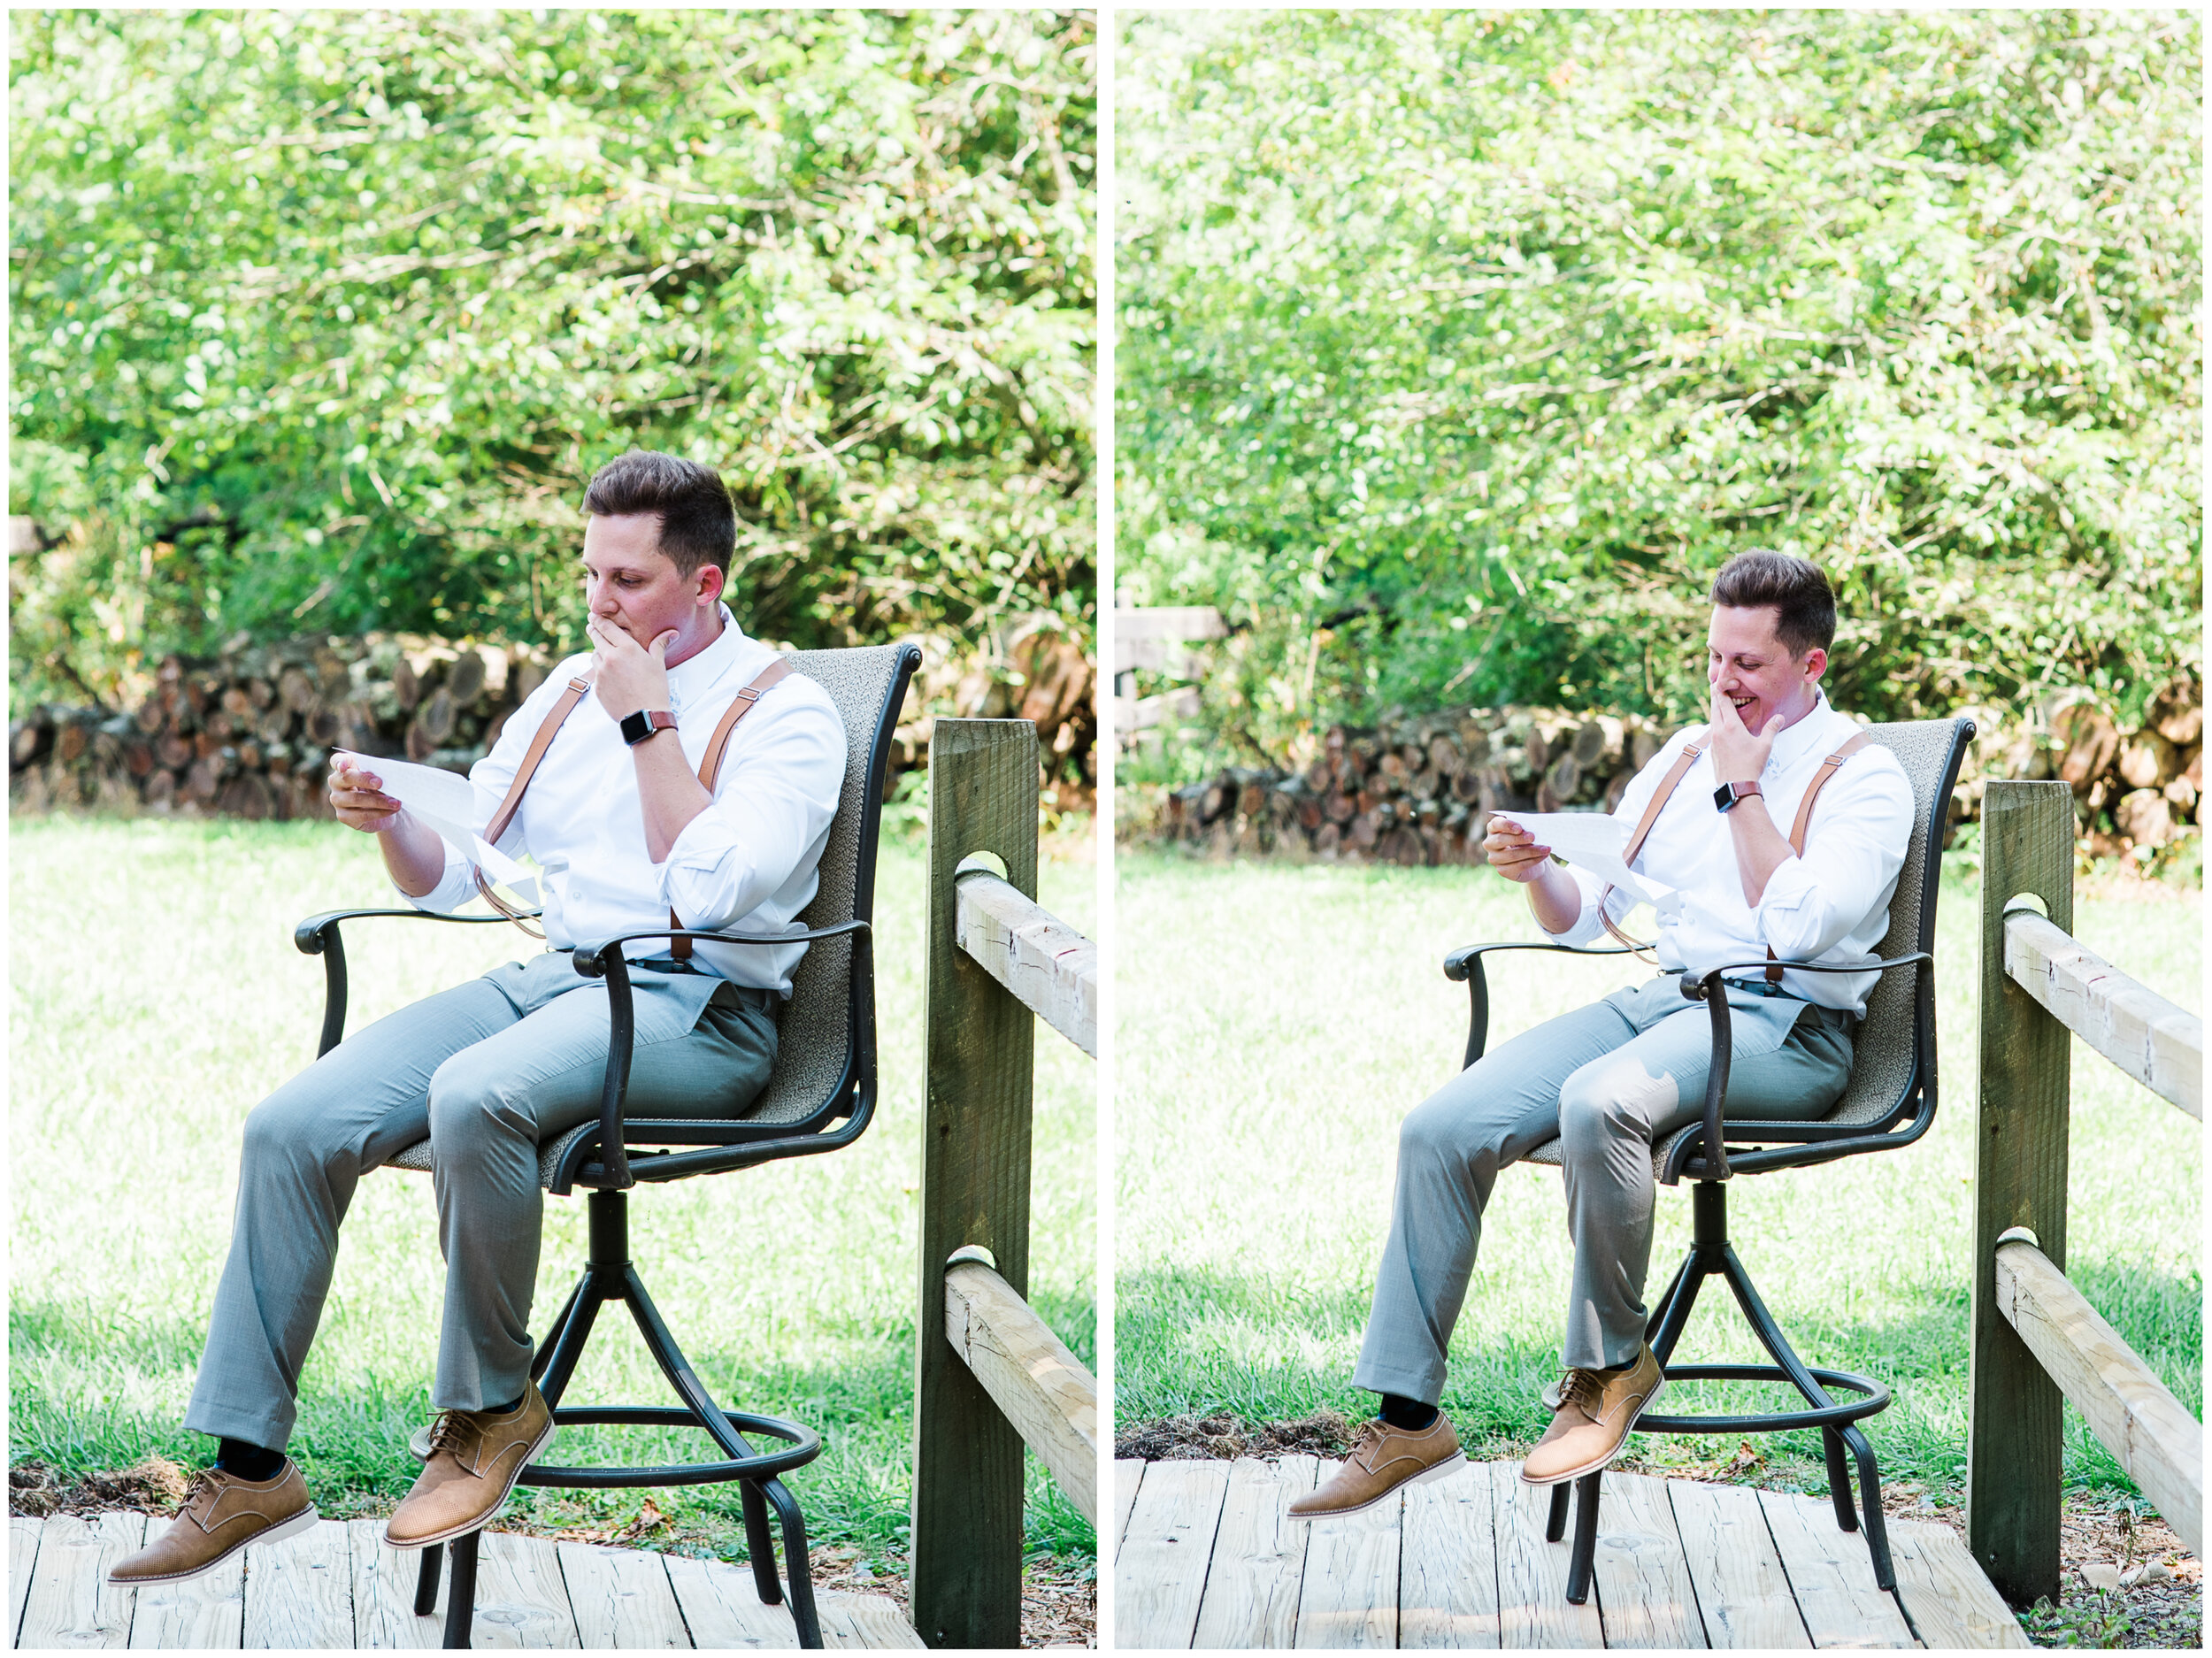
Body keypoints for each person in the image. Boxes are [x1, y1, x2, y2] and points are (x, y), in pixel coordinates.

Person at [110, 450, 848, 1585]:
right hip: (557, 977)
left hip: (703, 1011)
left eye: (630, 581)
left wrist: (648, 723)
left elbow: (706, 890)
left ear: (703, 585)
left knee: (477, 1094)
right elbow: (463, 868)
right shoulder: (567, 689)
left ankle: (490, 1407)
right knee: (292, 1124)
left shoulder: (785, 714)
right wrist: (394, 818)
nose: (600, 603)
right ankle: (251, 1467)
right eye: (591, 573)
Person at [1288, 551, 1915, 1521]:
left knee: (1600, 1098)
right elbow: (1584, 911)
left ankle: (1610, 1365)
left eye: (1747, 663)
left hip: (1790, 1029)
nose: (1722, 681)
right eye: (1713, 656)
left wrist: (1744, 789)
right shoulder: (1680, 755)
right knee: (1440, 1125)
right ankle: (1407, 1417)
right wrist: (1536, 867)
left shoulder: (1863, 778)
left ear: (1810, 664)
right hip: (1667, 1002)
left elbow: (1796, 927)